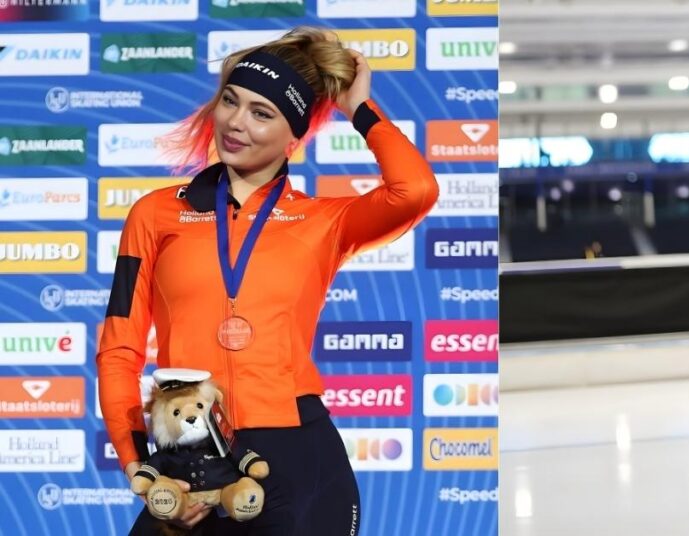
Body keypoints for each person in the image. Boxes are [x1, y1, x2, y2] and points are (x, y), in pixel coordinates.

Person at [97, 26, 439, 535]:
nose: (236, 123)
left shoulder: (324, 221)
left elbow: (415, 190)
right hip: (191, 452)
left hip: (298, 455)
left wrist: (359, 109)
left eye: (262, 113)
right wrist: (141, 467)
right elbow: (119, 349)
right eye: (230, 101)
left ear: (295, 136)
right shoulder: (154, 216)